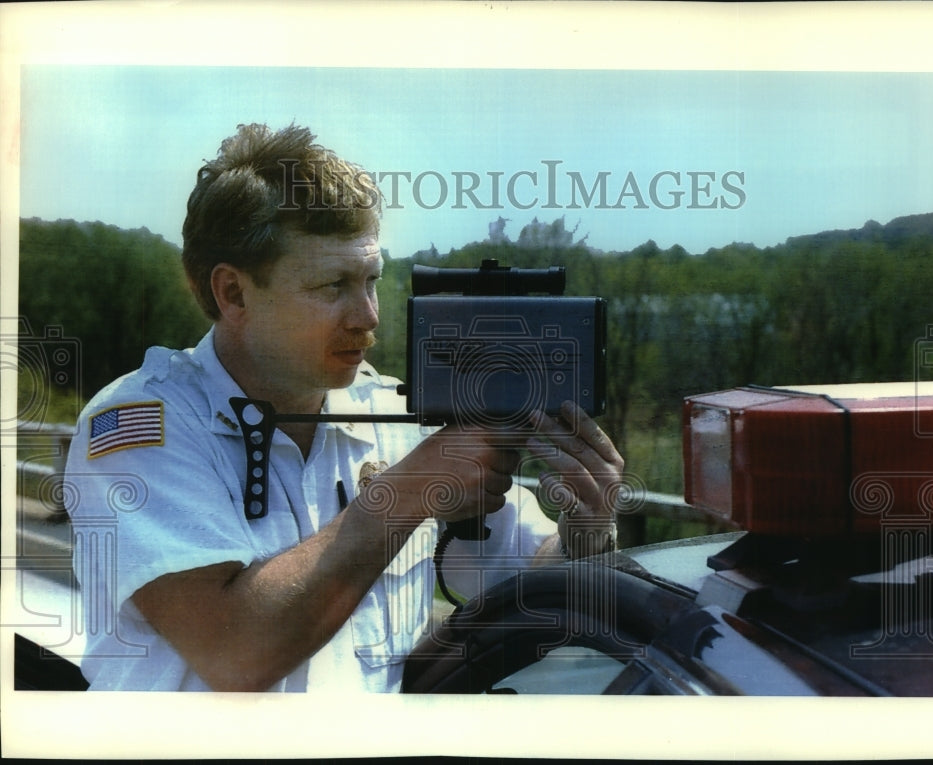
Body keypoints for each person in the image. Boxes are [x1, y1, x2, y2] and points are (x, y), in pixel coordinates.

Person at [64, 122, 622, 692]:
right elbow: (234, 653)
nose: (367, 316)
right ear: (233, 293)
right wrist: (405, 493)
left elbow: (526, 578)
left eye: (371, 280)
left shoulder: (392, 417)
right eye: (332, 286)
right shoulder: (143, 425)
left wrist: (587, 526)